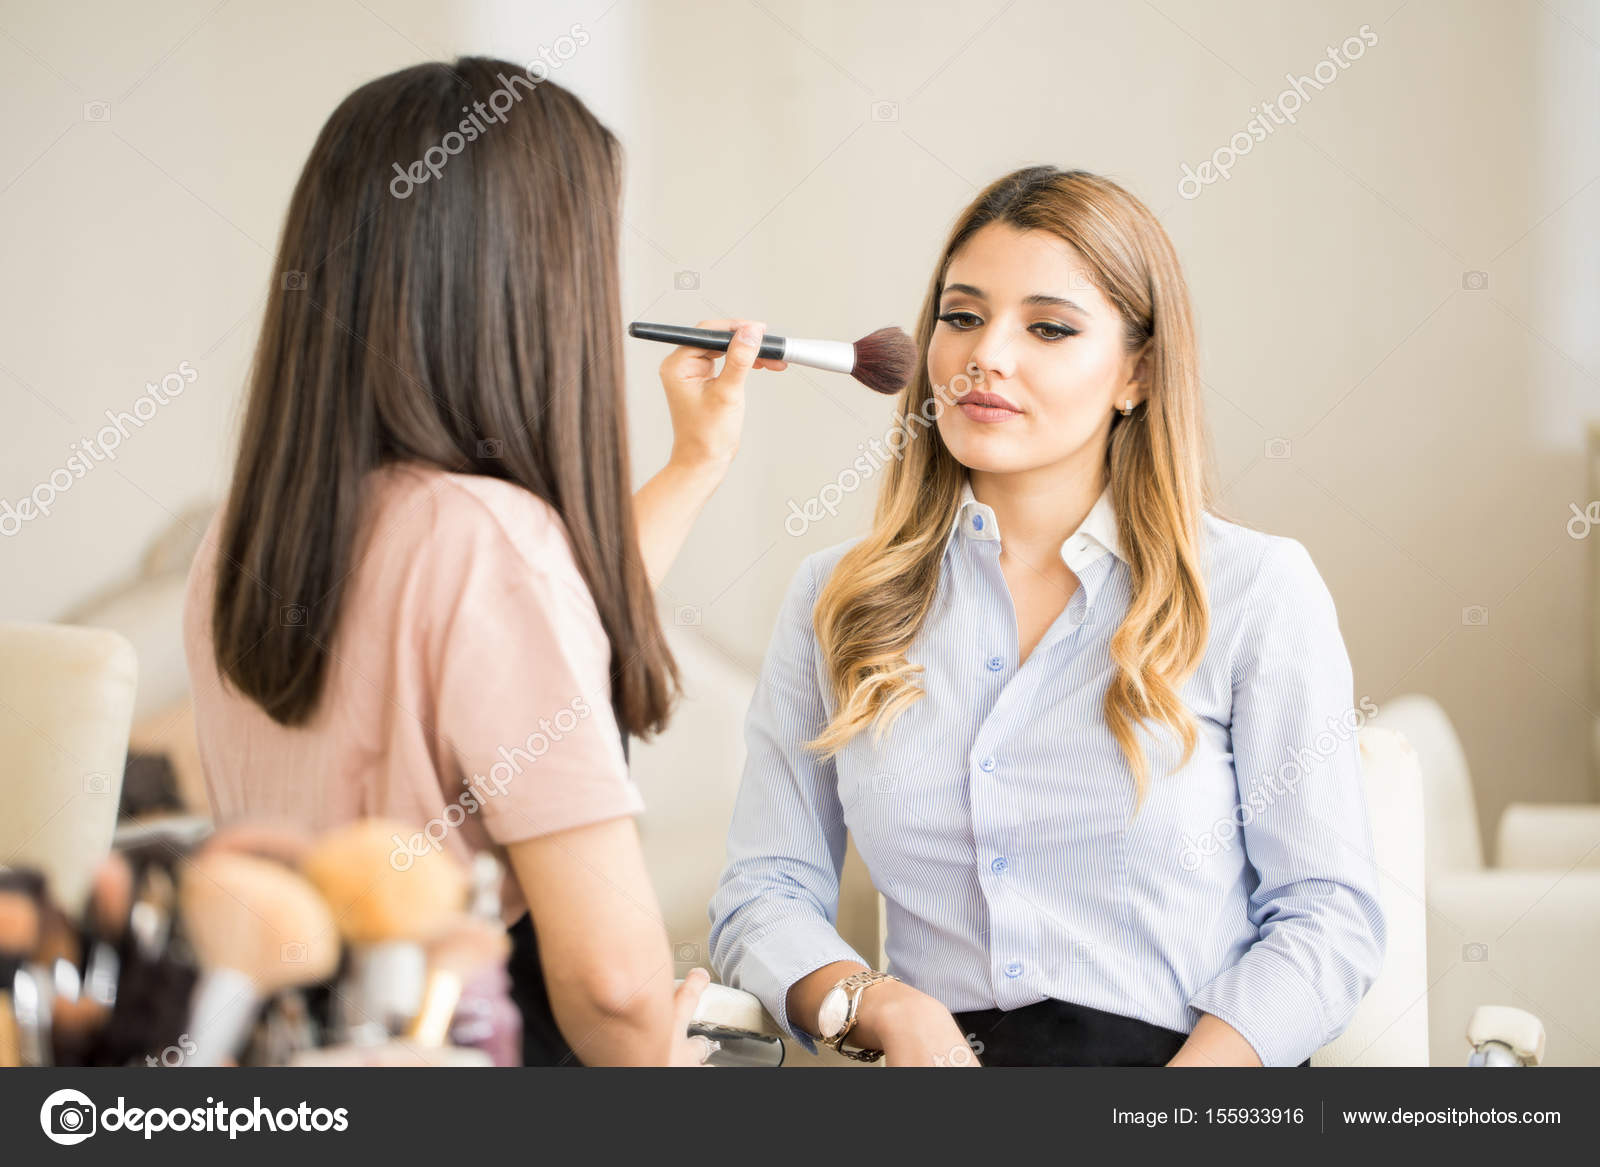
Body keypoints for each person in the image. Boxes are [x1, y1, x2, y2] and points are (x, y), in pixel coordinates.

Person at [708, 166, 1387, 1068]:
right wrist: (878, 1001)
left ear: (1136, 372)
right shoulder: (838, 595)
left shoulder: (1257, 588)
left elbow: (1326, 915)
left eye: (1050, 327)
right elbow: (765, 888)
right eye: (961, 316)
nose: (987, 354)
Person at [183, 57, 785, 1066]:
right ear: (529, 286)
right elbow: (611, 986)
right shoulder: (489, 544)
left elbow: (517, 644)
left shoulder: (252, 530)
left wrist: (693, 465)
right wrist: (661, 1046)